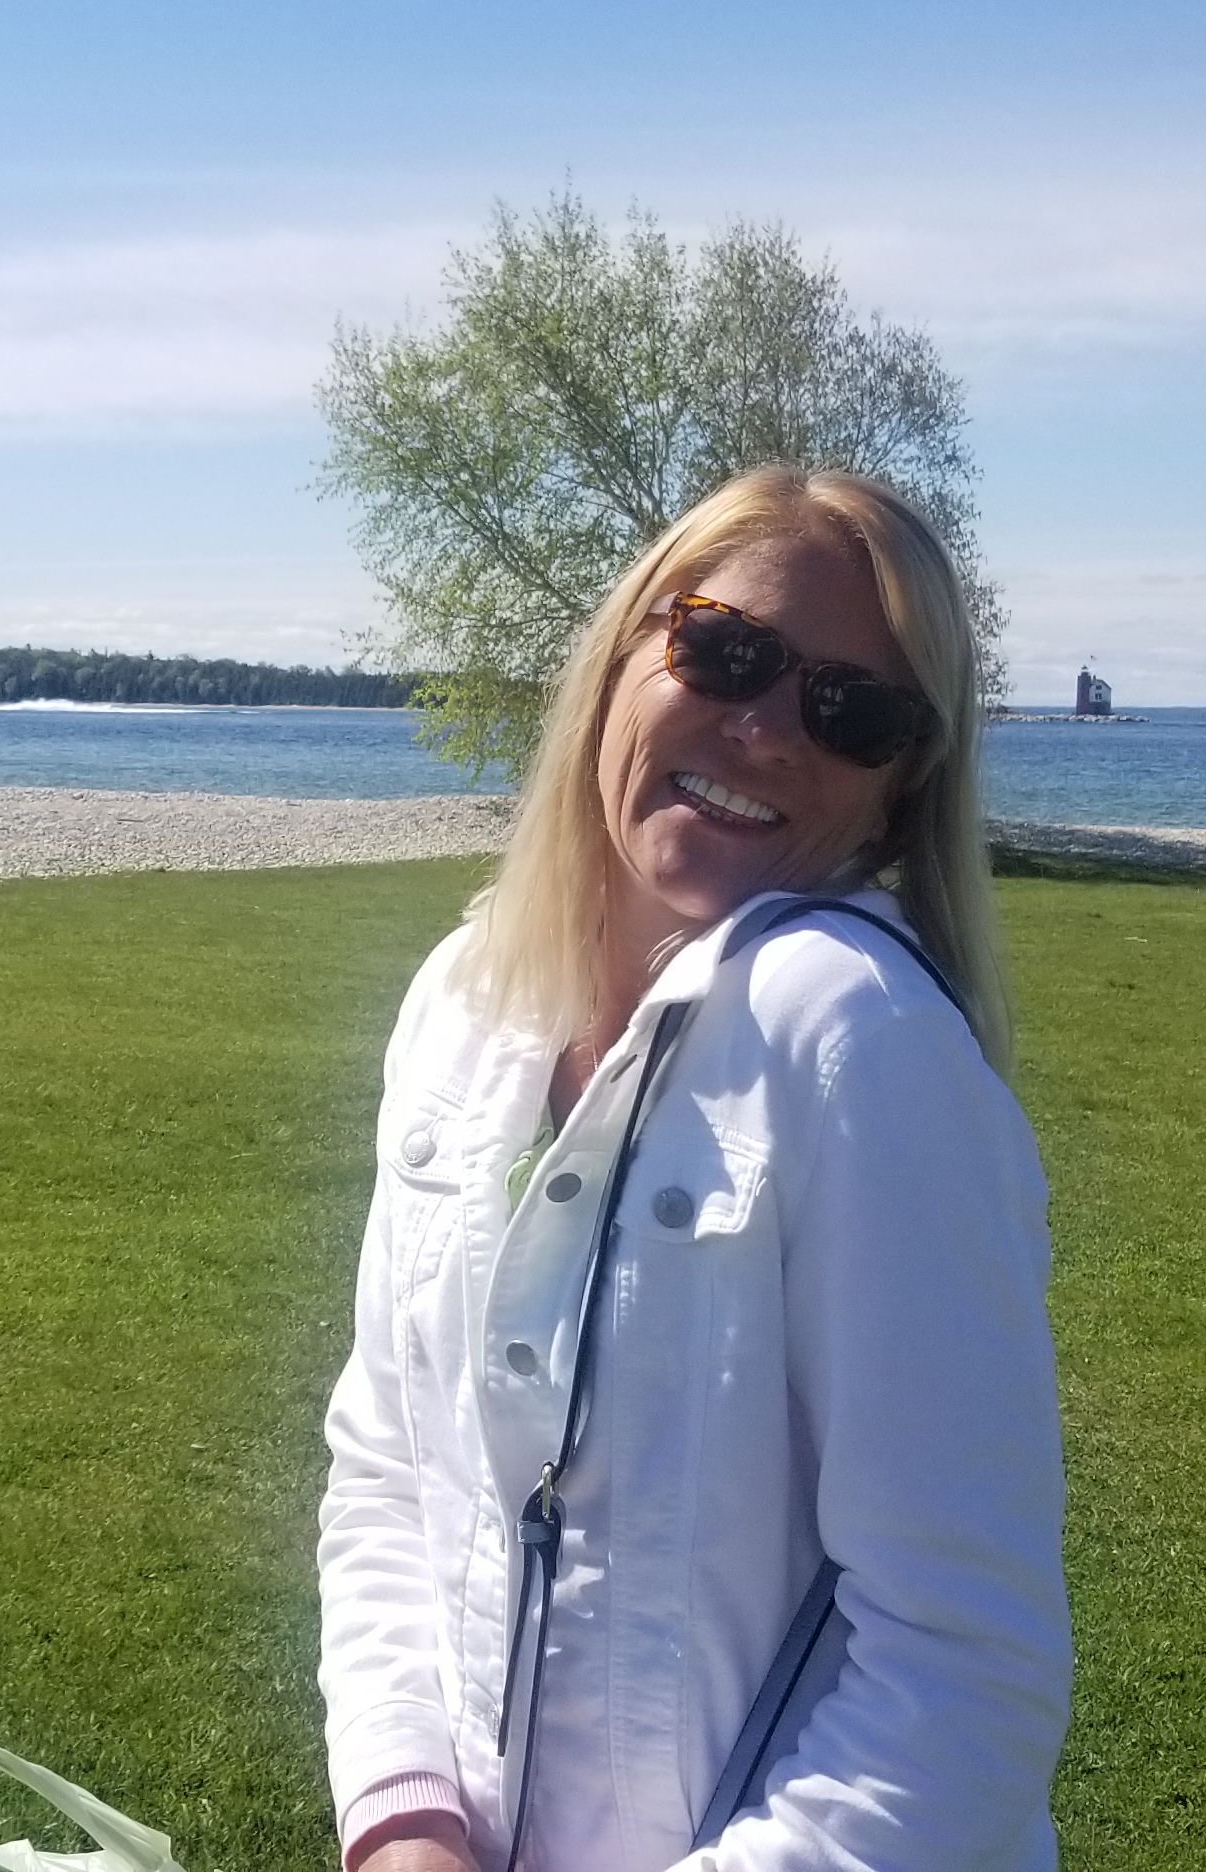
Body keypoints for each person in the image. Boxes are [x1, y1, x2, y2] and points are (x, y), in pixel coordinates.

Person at [318, 468, 1068, 1872]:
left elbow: (965, 1669)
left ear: (896, 797)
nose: (767, 729)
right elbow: (391, 1471)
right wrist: (407, 1821)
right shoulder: (466, 1000)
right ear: (624, 652)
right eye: (725, 652)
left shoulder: (856, 1040)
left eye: (853, 713)